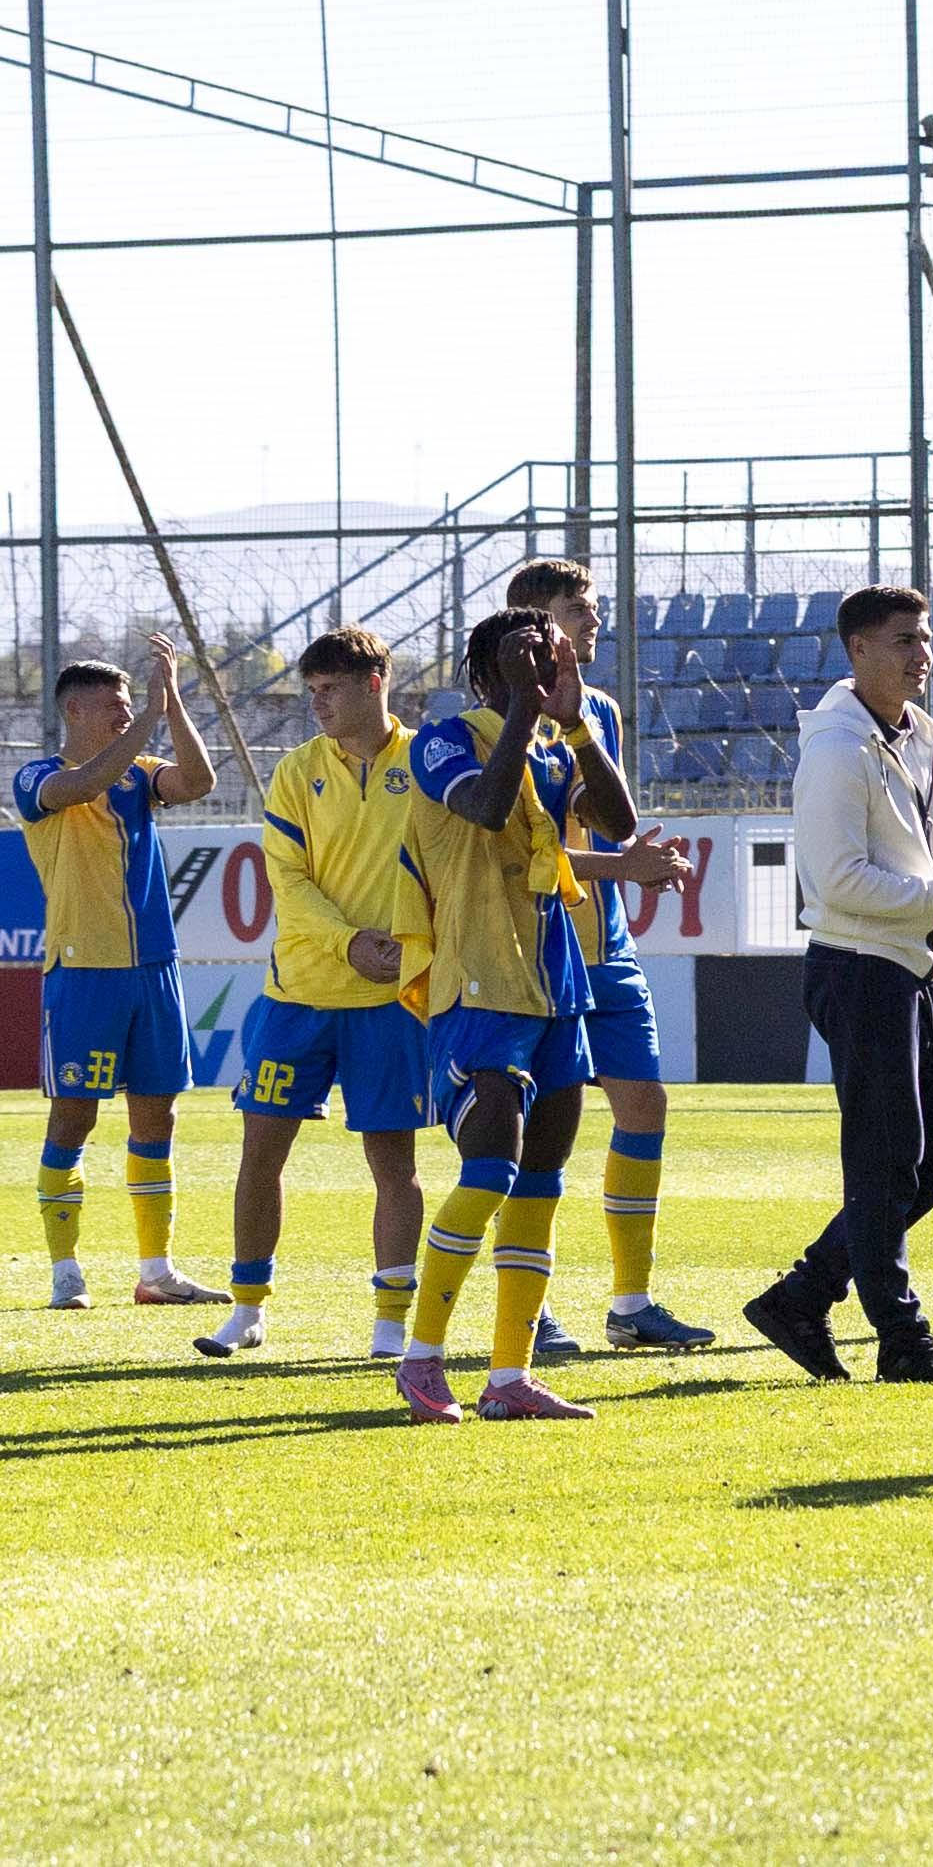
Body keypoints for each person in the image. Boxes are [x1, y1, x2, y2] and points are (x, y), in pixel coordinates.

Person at [746, 587, 933, 1386]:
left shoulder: (932, 738)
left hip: (923, 964)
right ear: (857, 650)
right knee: (886, 1163)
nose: (921, 655)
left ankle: (803, 1295)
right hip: (858, 966)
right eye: (902, 640)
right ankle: (901, 1337)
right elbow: (836, 882)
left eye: (924, 638)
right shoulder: (834, 749)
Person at [390, 607, 640, 1424]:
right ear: (486, 668)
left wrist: (576, 723)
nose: (544, 668)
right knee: (489, 1169)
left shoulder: (553, 743)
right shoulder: (442, 740)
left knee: (541, 1182)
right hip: (476, 982)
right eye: (527, 657)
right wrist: (526, 705)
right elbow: (489, 808)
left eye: (552, 656)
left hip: (557, 986)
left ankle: (509, 1375)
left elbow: (620, 824)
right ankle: (421, 1358)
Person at [196, 628, 429, 1359]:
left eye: (330, 689)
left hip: (390, 1000)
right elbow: (287, 883)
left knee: (394, 1166)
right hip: (297, 993)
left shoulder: (427, 761)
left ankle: (390, 1327)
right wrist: (348, 942)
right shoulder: (298, 770)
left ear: (374, 682)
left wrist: (408, 946)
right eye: (312, 691)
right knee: (261, 1153)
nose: (318, 703)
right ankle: (247, 1311)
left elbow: (451, 867)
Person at [505, 559, 713, 1353]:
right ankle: (530, 1309)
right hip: (531, 948)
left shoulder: (599, 709)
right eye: (578, 608)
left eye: (593, 607)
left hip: (606, 944)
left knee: (644, 1106)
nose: (594, 620)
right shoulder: (497, 720)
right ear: (535, 621)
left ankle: (631, 1304)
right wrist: (623, 867)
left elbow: (602, 816)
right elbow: (516, 854)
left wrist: (634, 862)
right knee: (533, 1131)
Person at [16, 638, 220, 1310]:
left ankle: (157, 1272)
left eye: (131, 703)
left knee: (157, 1118)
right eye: (115, 704)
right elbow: (82, 786)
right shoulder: (36, 778)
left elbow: (198, 782)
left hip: (154, 968)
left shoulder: (140, 774)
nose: (127, 713)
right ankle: (65, 1271)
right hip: (83, 972)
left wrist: (175, 705)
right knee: (73, 1119)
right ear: (74, 710)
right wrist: (147, 721)